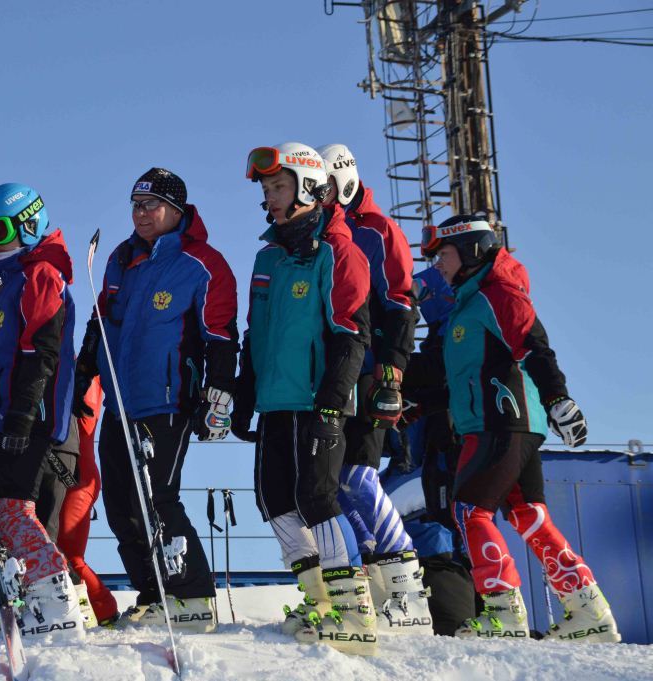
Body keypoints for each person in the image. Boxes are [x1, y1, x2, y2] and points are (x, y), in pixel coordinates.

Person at [420, 215, 619, 642]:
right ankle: (588, 609)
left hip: (500, 422)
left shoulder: (497, 294)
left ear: (472, 250)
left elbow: (533, 344)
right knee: (529, 516)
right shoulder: (469, 304)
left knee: (469, 511)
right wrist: (410, 406)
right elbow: (453, 377)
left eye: (444, 255)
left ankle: (501, 610)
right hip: (509, 424)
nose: (438, 266)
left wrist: (558, 398)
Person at [75, 167, 238, 634]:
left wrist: (219, 390)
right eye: (136, 205)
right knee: (121, 507)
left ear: (177, 210)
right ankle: (154, 593)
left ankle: (192, 596)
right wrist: (83, 374)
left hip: (167, 402)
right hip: (120, 404)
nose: (141, 213)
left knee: (158, 498)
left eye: (151, 205)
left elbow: (220, 334)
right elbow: (101, 323)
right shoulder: (122, 259)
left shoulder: (201, 263)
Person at [231, 143, 376, 654]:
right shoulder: (267, 255)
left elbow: (351, 336)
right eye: (266, 189)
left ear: (309, 187)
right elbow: (256, 335)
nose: (270, 197)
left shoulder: (338, 249)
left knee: (317, 498)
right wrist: (242, 396)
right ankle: (319, 601)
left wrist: (333, 406)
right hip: (274, 401)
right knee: (273, 501)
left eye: (279, 186)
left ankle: (353, 609)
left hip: (318, 400)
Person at [317, 143, 430, 635]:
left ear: (341, 178)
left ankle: (407, 586)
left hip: (371, 368)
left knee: (359, 477)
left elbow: (401, 300)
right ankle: (373, 579)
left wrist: (394, 369)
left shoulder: (377, 229)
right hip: (332, 370)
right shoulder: (322, 229)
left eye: (324, 185)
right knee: (334, 481)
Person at [0, 182, 83, 638]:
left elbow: (42, 349)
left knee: (12, 510)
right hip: (7, 415)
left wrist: (22, 411)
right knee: (10, 510)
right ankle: (42, 595)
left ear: (29, 223)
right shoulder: (14, 279)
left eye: (0, 230)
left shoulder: (40, 274)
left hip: (28, 415)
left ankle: (55, 596)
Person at [57, 378, 119, 626]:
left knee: (68, 554)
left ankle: (104, 609)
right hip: (78, 472)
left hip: (77, 475)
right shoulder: (84, 372)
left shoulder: (78, 374)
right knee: (62, 551)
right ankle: (94, 609)